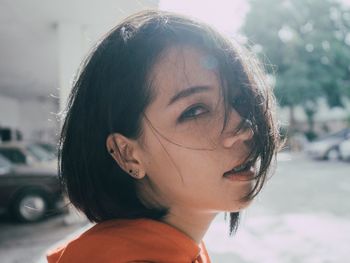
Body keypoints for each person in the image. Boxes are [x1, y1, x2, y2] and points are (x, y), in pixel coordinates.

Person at [47, 9, 280, 263]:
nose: (244, 128)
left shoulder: (172, 248)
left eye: (239, 99)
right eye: (194, 111)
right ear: (128, 154)